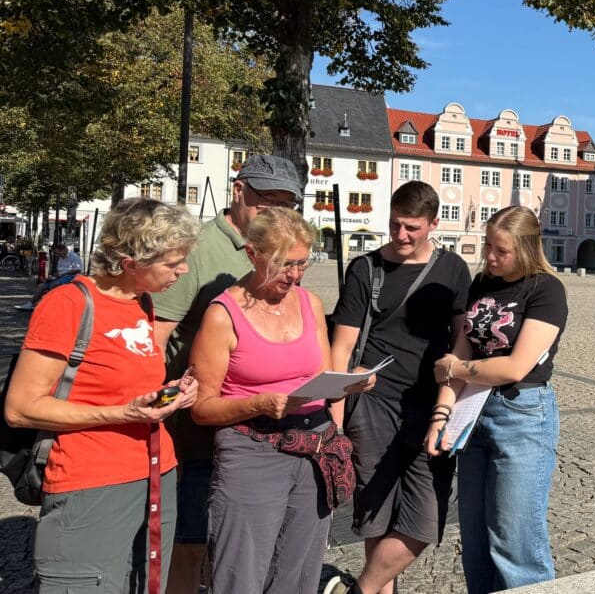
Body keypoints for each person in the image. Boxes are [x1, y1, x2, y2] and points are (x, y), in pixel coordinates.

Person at [4, 198, 201, 593]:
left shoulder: (141, 303)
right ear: (130, 262)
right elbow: (21, 408)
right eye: (172, 262)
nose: (182, 270)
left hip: (154, 473)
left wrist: (171, 394)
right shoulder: (68, 303)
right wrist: (123, 412)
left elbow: (124, 386)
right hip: (90, 482)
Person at [150, 154, 303, 593]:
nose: (274, 214)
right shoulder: (198, 249)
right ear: (238, 192)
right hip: (199, 426)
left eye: (285, 205)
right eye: (265, 202)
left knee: (242, 540)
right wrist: (160, 416)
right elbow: (157, 339)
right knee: (191, 539)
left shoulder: (283, 251)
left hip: (261, 429)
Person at [189, 207, 357, 593]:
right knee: (240, 573)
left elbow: (322, 379)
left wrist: (351, 383)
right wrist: (260, 404)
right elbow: (201, 408)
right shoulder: (223, 315)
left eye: (302, 262)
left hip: (314, 446)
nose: (294, 274)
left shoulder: (309, 302)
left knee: (298, 573)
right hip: (253, 450)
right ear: (252, 253)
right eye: (283, 264)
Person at [324, 181, 472, 594]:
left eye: (412, 227)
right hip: (372, 404)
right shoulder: (365, 268)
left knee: (425, 517)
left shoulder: (453, 269)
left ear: (433, 224)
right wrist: (335, 421)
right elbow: (343, 347)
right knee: (376, 513)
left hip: (431, 404)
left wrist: (454, 401)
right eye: (394, 225)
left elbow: (462, 340)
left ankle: (362, 590)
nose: (401, 235)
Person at [426, 205, 568, 593]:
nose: (489, 256)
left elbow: (514, 367)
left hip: (521, 413)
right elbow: (462, 349)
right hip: (473, 412)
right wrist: (441, 415)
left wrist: (454, 370)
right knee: (475, 536)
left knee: (515, 537)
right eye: (488, 245)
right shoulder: (482, 283)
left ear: (525, 249)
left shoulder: (546, 290)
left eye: (500, 250)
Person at [14, 243, 84, 311]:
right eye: (57, 254)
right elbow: (59, 271)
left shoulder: (74, 256)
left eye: (59, 253)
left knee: (54, 285)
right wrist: (52, 277)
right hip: (61, 276)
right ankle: (31, 304)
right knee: (41, 286)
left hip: (71, 276)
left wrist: (63, 274)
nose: (58, 255)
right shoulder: (61, 258)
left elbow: (78, 270)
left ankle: (45, 304)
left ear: (63, 249)